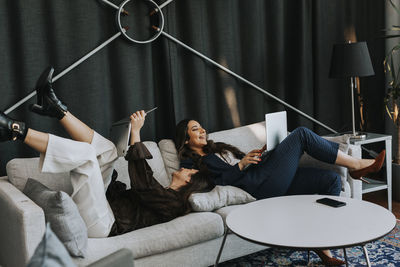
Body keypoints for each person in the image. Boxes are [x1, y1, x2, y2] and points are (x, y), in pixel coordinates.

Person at [0, 67, 214, 238]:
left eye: (191, 172)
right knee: (109, 150)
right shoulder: (167, 192)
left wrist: (136, 133)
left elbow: (143, 185)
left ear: (190, 182)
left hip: (104, 226)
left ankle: (14, 130)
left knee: (86, 155)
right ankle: (56, 108)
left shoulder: (175, 204)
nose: (187, 170)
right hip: (103, 205)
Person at [175, 119, 386, 266]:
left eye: (201, 127)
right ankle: (357, 165)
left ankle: (321, 244)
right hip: (258, 187)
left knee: (330, 180)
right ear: (185, 139)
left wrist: (263, 154)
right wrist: (240, 166)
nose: (202, 130)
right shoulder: (191, 162)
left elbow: (243, 166)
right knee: (302, 134)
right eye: (195, 129)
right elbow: (213, 182)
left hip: (265, 175)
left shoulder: (216, 148)